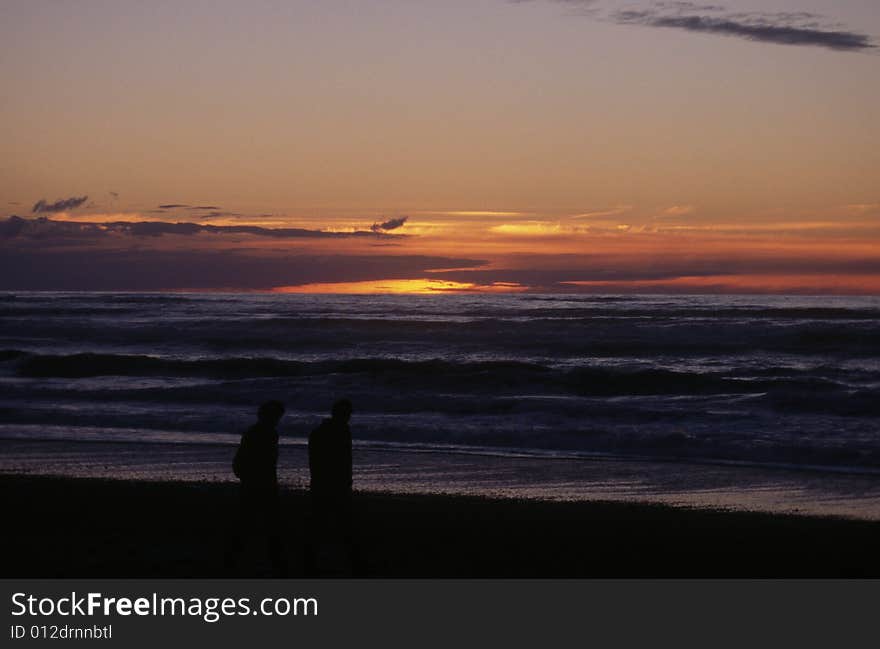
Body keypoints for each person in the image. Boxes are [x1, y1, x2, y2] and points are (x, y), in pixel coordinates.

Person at [226, 400, 287, 576]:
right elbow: (263, 462)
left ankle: (239, 556)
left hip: (255, 482)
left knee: (249, 520)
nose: (277, 420)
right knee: (261, 521)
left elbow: (241, 459)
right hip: (261, 483)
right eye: (276, 416)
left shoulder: (256, 432)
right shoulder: (266, 433)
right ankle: (270, 559)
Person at [307, 398, 354, 573]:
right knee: (332, 519)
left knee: (324, 519)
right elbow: (343, 459)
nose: (348, 417)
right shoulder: (340, 431)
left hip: (325, 481)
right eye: (346, 414)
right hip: (331, 481)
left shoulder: (320, 432)